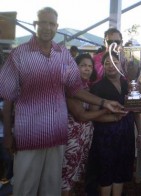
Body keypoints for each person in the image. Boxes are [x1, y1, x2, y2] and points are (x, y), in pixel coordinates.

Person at [0, 7, 125, 196]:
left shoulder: (63, 54)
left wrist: (104, 102)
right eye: (43, 22)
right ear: (35, 24)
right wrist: (9, 135)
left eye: (51, 23)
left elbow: (75, 89)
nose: (47, 27)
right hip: (29, 135)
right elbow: (8, 97)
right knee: (25, 189)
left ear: (57, 27)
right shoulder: (19, 54)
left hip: (57, 135)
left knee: (51, 188)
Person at [85, 51, 141, 196]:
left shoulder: (128, 84)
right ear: (103, 66)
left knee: (121, 170)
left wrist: (140, 133)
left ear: (121, 65)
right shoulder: (98, 87)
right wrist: (113, 118)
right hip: (105, 136)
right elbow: (93, 116)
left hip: (126, 133)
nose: (111, 66)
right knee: (106, 171)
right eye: (107, 63)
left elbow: (135, 111)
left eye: (114, 62)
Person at [61, 53, 108, 196]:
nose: (87, 69)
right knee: (66, 176)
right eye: (83, 65)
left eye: (90, 66)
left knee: (75, 173)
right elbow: (81, 115)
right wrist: (106, 109)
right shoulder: (71, 87)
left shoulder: (88, 87)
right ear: (75, 68)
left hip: (84, 136)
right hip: (72, 137)